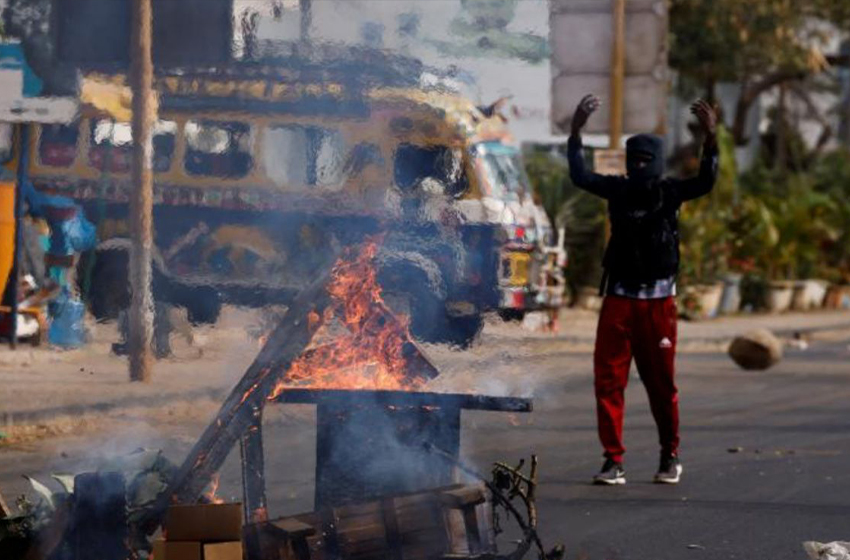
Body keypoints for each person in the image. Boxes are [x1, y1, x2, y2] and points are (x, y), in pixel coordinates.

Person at [567, 94, 718, 485]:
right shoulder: (617, 190)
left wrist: (711, 136)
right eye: (633, 160)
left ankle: (670, 456)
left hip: (658, 306)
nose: (639, 167)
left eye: (645, 161)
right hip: (618, 301)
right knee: (608, 382)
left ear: (657, 162)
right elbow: (579, 175)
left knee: (661, 386)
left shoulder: (670, 192)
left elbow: (706, 180)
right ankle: (612, 461)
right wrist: (576, 130)